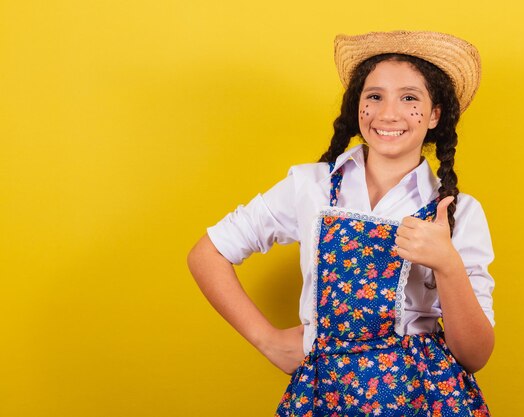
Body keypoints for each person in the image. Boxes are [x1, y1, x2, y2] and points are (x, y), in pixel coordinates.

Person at [188, 30, 495, 416]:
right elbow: (208, 253)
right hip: (325, 394)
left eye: (409, 98)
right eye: (374, 96)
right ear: (358, 107)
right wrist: (266, 340)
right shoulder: (309, 187)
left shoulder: (458, 212)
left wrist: (447, 264)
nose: (388, 113)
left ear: (435, 115)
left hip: (425, 399)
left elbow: (475, 355)